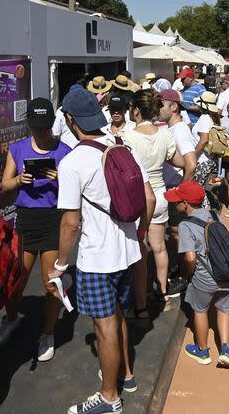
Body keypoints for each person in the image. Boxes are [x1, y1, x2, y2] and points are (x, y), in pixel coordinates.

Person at [50, 88, 154, 414]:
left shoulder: (72, 162)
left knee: (104, 327)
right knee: (117, 317)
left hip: (97, 259)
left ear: (70, 119)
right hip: (128, 252)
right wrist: (140, 233)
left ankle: (110, 397)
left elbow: (70, 223)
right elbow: (148, 200)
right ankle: (126, 374)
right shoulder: (121, 146)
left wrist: (60, 264)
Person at [0, 98, 72, 360]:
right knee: (16, 281)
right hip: (26, 219)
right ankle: (12, 318)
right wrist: (18, 179)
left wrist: (62, 178)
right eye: (37, 127)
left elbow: (77, 189)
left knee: (51, 283)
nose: (41, 132)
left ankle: (47, 332)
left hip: (53, 219)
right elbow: (4, 185)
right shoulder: (17, 148)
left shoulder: (66, 151)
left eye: (45, 127)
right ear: (29, 125)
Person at [124, 90, 184, 312]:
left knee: (141, 249)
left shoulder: (127, 136)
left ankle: (140, 305)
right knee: (159, 247)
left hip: (138, 196)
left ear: (137, 110)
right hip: (159, 195)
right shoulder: (165, 133)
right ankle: (163, 293)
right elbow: (177, 160)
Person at [167, 182, 229, 368]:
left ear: (185, 204)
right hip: (227, 273)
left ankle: (202, 350)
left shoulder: (185, 225)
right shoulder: (214, 215)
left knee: (201, 310)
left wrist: (188, 273)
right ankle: (226, 350)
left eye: (178, 201)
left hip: (205, 276)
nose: (175, 205)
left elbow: (190, 257)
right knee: (224, 310)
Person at [159, 89, 198, 299]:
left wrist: (182, 193)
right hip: (175, 189)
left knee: (180, 235)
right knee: (178, 234)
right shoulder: (173, 128)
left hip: (177, 190)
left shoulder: (179, 130)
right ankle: (184, 271)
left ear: (174, 106)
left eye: (161, 104)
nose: (158, 109)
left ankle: (188, 278)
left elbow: (190, 165)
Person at [190, 92, 223, 208]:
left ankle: (206, 216)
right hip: (210, 159)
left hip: (203, 159)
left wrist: (192, 155)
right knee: (200, 188)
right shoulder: (213, 118)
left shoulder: (204, 118)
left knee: (198, 190)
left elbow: (204, 140)